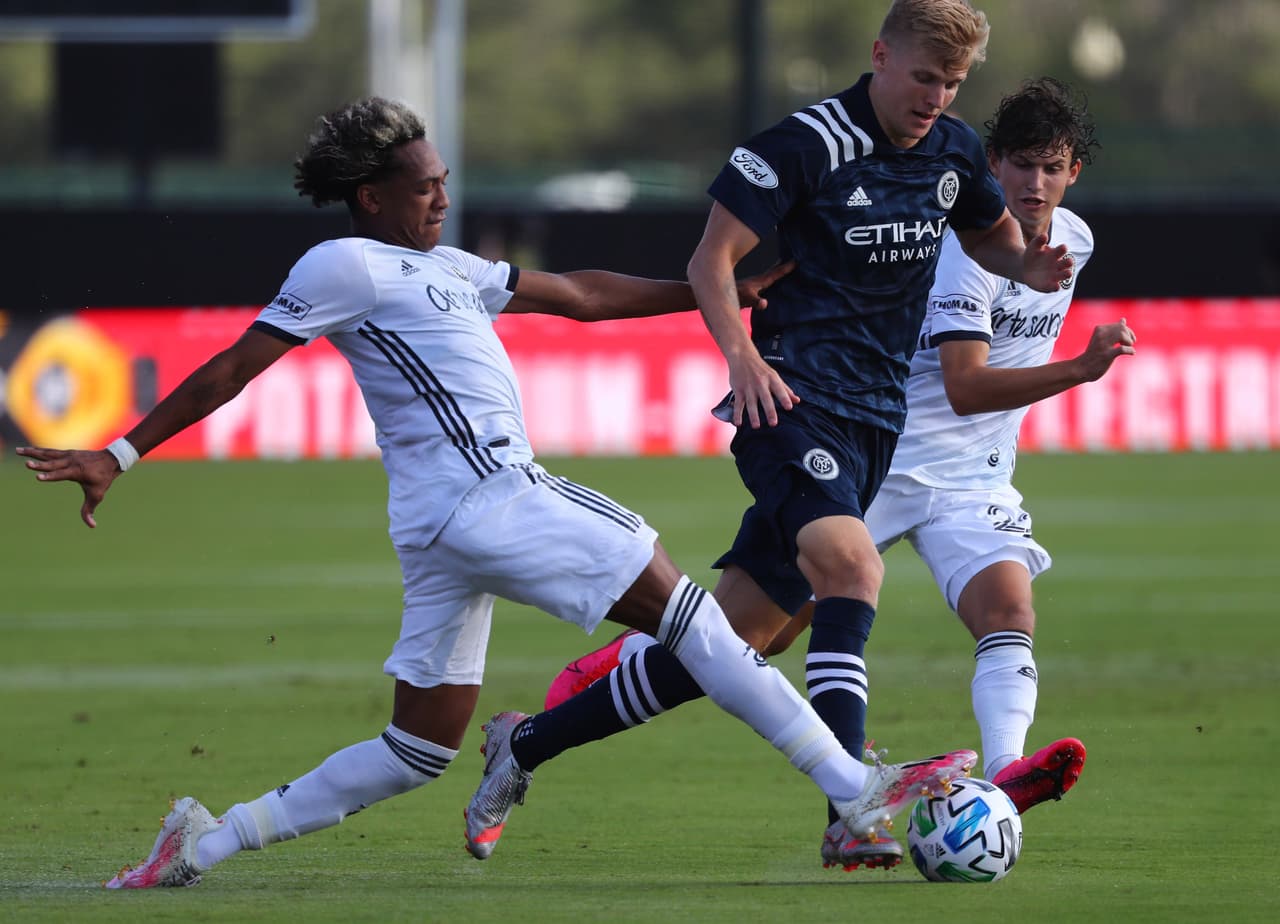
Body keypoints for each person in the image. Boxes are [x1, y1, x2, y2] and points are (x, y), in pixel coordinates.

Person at [16, 96, 976, 889]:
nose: (441, 195)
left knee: (417, 748)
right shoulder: (342, 265)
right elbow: (237, 367)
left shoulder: (449, 268)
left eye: (441, 180)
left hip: (441, 528)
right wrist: (125, 452)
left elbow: (583, 295)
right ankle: (852, 788)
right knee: (700, 624)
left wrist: (726, 285)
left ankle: (205, 841)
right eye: (422, 185)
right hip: (489, 497)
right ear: (369, 196)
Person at [462, 2, 1097, 871]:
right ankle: (852, 807)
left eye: (951, 86)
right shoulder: (800, 144)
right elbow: (709, 262)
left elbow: (991, 238)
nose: (934, 99)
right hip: (789, 402)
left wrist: (1028, 265)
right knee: (852, 567)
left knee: (726, 647)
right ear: (880, 56)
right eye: (922, 78)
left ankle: (525, 745)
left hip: (876, 422)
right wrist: (742, 358)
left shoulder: (950, 152)